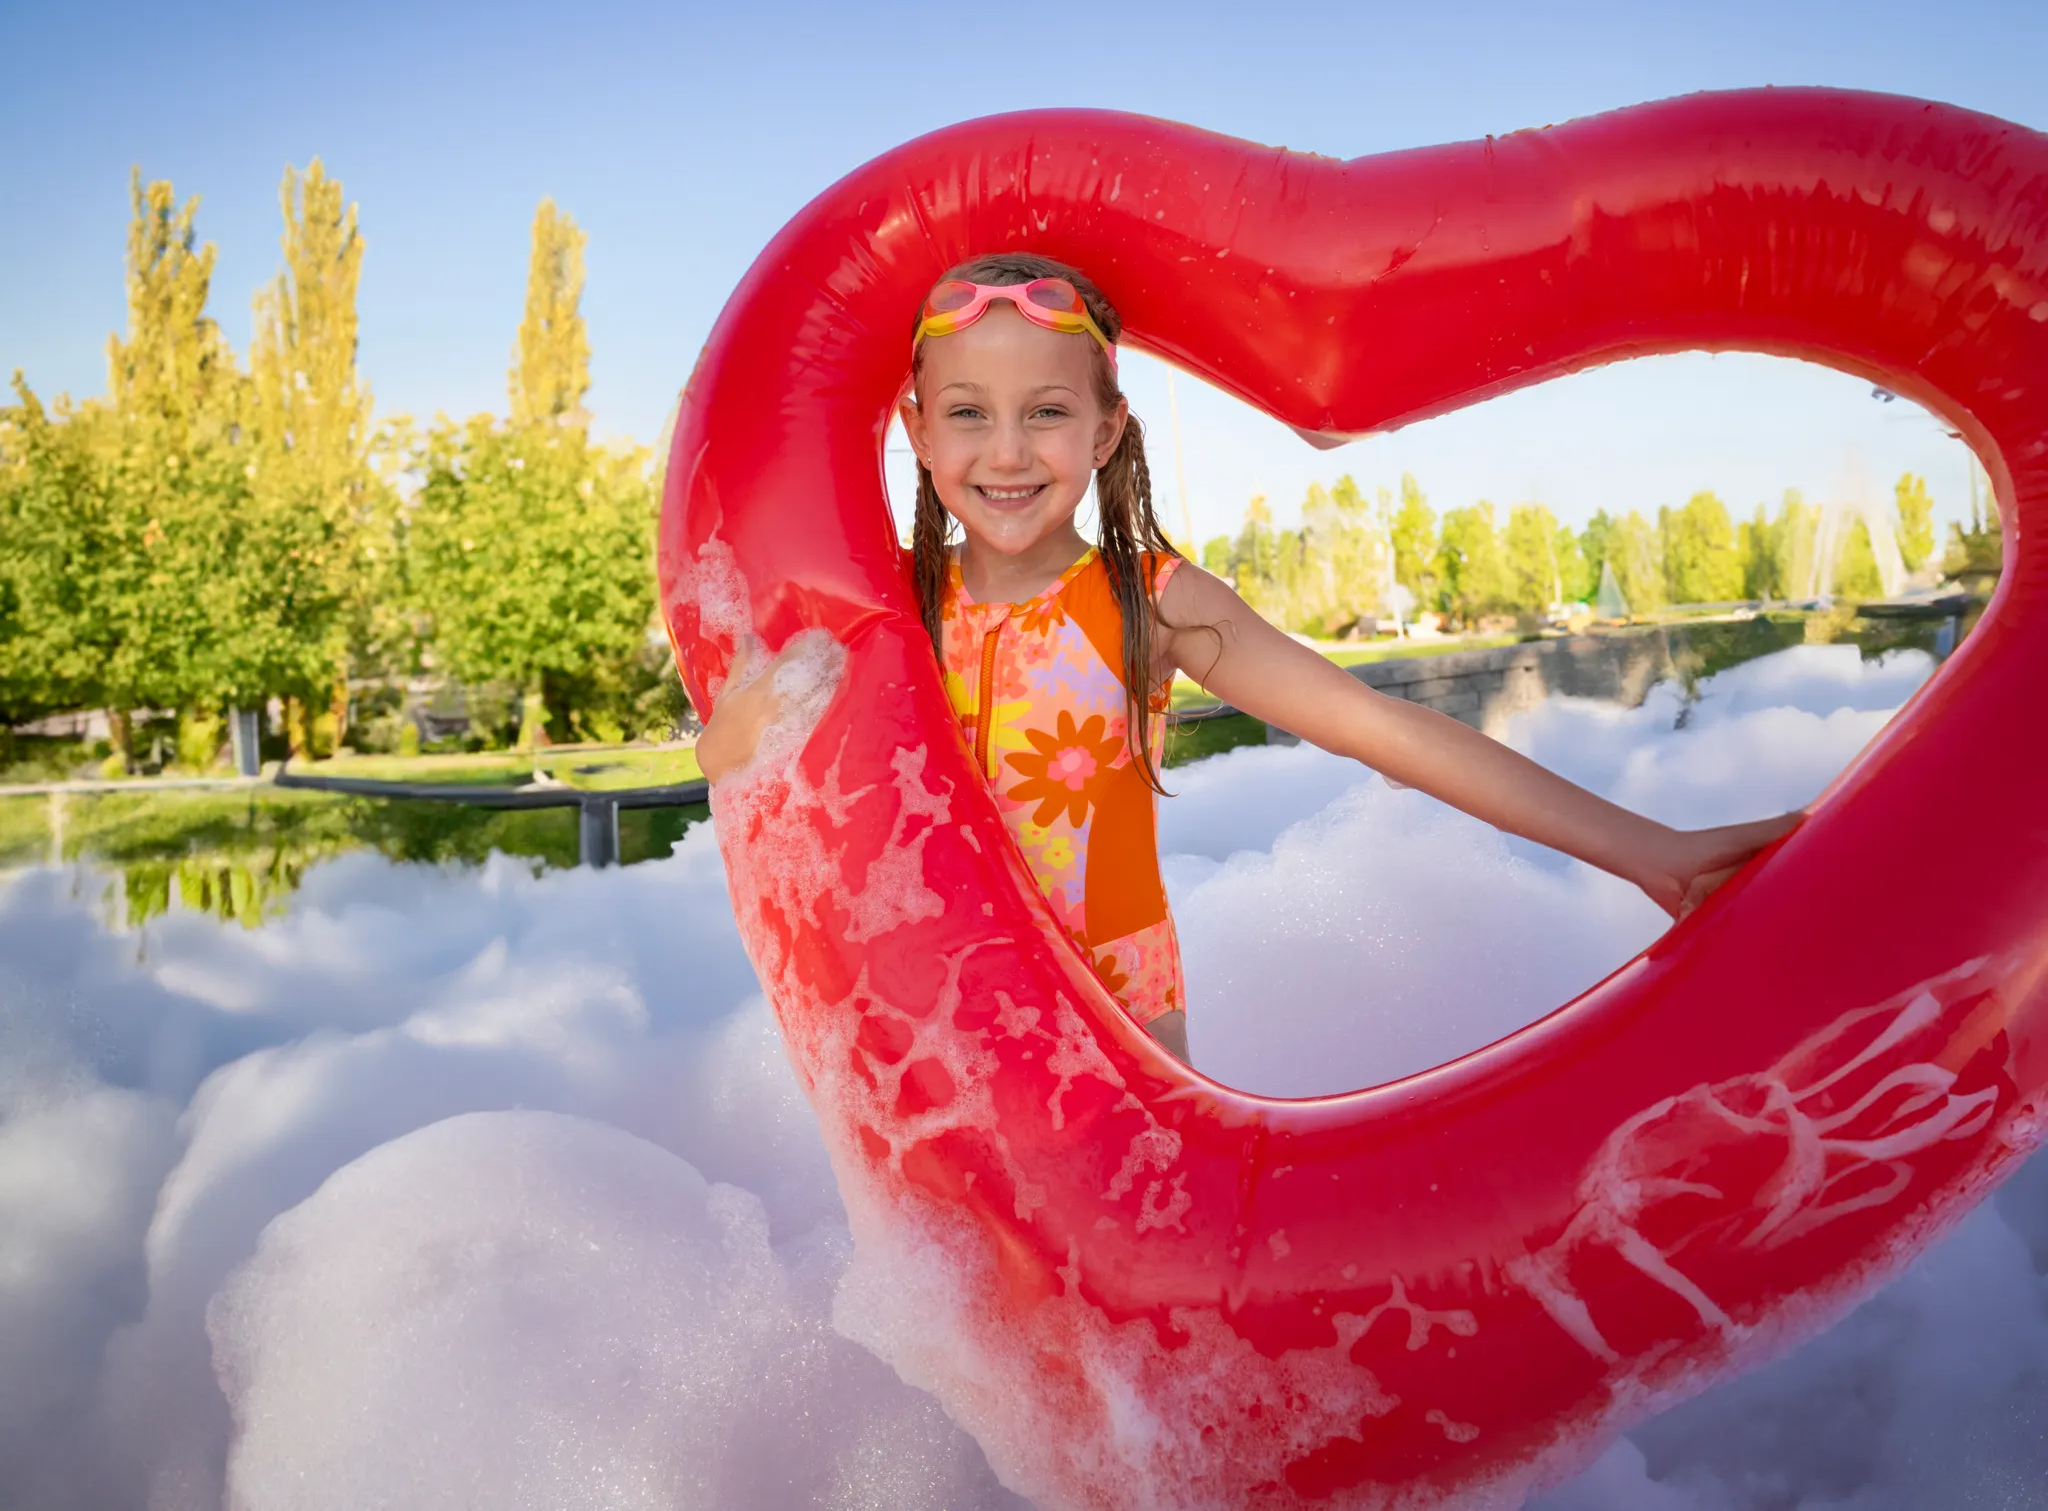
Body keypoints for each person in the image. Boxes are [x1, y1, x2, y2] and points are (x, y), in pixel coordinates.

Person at [696, 253, 1805, 1067]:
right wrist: (743, 731)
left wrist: (1649, 850)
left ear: (1105, 430)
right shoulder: (881, 612)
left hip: (1117, 1021)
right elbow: (737, 755)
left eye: (1045, 411)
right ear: (918, 431)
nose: (1004, 452)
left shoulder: (1151, 603)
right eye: (967, 413)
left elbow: (1391, 733)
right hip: (928, 1025)